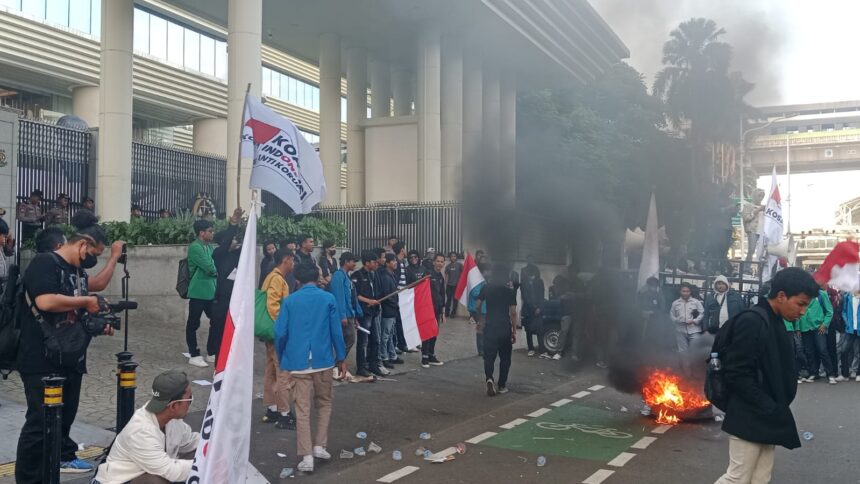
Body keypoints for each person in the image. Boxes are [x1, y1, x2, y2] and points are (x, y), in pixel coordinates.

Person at [16, 211, 118, 480]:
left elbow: (75, 315)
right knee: (39, 424)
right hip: (40, 359)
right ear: (82, 244)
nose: (92, 260)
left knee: (60, 425)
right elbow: (46, 302)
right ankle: (28, 478)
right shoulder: (45, 262)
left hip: (70, 358)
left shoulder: (78, 273)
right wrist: (86, 301)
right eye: (92, 253)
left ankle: (50, 475)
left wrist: (97, 323)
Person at [714, 268, 819, 484]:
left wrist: (772, 409)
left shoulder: (775, 319)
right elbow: (736, 372)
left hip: (767, 415)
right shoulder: (753, 321)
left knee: (760, 479)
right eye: (800, 304)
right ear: (781, 296)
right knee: (737, 479)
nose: (803, 311)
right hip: (749, 415)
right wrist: (767, 406)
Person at [274, 263, 347, 474]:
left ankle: (306, 457)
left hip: (297, 363)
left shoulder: (290, 301)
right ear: (318, 278)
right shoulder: (328, 299)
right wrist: (341, 357)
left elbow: (279, 332)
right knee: (324, 403)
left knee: (302, 410)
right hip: (323, 361)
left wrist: (283, 355)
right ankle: (319, 446)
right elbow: (336, 331)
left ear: (297, 280)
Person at [93, 371, 199, 484]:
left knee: (200, 452)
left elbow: (191, 442)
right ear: (173, 405)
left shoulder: (172, 419)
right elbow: (170, 471)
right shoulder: (141, 431)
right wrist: (206, 464)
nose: (190, 403)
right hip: (119, 481)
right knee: (156, 481)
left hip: (141, 476)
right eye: (189, 399)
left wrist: (215, 446)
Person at [260, 249, 296, 430]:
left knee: (271, 370)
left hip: (271, 333)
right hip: (277, 333)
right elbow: (272, 304)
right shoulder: (276, 278)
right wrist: (281, 327)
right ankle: (284, 413)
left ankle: (272, 408)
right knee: (282, 372)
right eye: (292, 259)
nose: (294, 264)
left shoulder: (271, 277)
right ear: (286, 259)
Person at [476, 264, 518, 396]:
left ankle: (489, 378)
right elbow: (513, 313)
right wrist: (514, 330)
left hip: (490, 326)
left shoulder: (486, 288)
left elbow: (477, 304)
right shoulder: (509, 291)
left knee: (489, 357)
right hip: (504, 327)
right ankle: (502, 385)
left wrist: (481, 319)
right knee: (505, 358)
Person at [209, 208, 243, 365]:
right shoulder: (219, 254)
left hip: (233, 300)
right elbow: (228, 241)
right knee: (218, 333)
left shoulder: (235, 255)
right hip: (220, 301)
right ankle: (218, 363)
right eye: (232, 240)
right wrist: (233, 224)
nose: (235, 242)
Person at [185, 219, 217, 368]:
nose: (212, 233)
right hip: (198, 292)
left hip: (211, 291)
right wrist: (217, 271)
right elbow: (210, 267)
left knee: (216, 320)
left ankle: (212, 351)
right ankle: (194, 354)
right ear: (201, 233)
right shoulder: (195, 247)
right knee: (193, 323)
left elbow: (214, 265)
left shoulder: (209, 247)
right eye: (210, 231)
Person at [794, 284, 836, 384]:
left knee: (823, 350)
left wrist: (825, 324)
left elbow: (830, 311)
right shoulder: (801, 295)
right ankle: (814, 373)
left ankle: (830, 374)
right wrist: (798, 327)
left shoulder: (821, 294)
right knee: (809, 351)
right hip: (805, 327)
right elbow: (798, 311)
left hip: (818, 327)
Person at [329, 252, 361, 378]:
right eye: (353, 261)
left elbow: (350, 298)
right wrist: (342, 316)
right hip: (343, 316)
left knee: (347, 340)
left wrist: (354, 316)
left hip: (349, 314)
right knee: (348, 340)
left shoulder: (346, 276)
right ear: (347, 261)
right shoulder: (338, 276)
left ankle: (338, 365)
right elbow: (339, 297)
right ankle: (336, 365)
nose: (355, 264)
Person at [352, 251, 384, 377]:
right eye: (374, 262)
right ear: (367, 263)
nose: (376, 264)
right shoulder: (357, 275)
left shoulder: (374, 274)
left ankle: (373, 364)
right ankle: (361, 367)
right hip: (364, 313)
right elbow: (355, 295)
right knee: (363, 341)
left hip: (374, 312)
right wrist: (368, 301)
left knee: (375, 340)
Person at [670, 283, 704, 376]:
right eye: (683, 291)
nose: (685, 293)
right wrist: (677, 321)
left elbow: (702, 313)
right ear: (680, 292)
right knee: (683, 353)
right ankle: (687, 375)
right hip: (680, 331)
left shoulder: (696, 302)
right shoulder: (675, 303)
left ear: (690, 292)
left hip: (694, 330)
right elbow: (672, 315)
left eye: (687, 291)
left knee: (696, 352)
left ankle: (697, 374)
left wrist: (694, 321)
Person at [377, 254, 403, 372]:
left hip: (392, 310)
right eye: (393, 261)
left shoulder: (391, 275)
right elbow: (387, 296)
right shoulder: (385, 277)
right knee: (385, 335)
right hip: (388, 310)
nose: (395, 263)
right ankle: (384, 356)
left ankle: (392, 355)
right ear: (387, 263)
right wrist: (396, 304)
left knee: (391, 333)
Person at [422, 254, 447, 368]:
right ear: (434, 262)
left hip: (437, 309)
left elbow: (442, 294)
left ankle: (431, 355)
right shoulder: (427, 274)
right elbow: (421, 289)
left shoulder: (441, 277)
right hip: (428, 309)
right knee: (427, 333)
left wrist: (443, 311)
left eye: (442, 262)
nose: (439, 263)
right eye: (438, 261)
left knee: (434, 333)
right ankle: (424, 357)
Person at [520, 263, 546, 357]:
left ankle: (542, 349)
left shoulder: (540, 282)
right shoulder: (524, 283)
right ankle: (530, 348)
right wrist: (534, 307)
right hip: (528, 310)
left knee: (540, 330)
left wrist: (539, 308)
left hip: (538, 309)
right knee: (529, 331)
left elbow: (541, 296)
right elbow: (525, 297)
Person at [840, 289, 860, 382]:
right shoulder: (847, 297)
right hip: (850, 329)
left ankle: (858, 373)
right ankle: (845, 374)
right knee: (844, 351)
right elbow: (843, 311)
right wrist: (847, 322)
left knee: (858, 352)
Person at [444, 252, 463, 317]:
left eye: (454, 256)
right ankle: (447, 313)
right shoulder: (447, 267)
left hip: (457, 286)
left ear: (456, 257)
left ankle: (453, 313)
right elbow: (446, 276)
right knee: (448, 300)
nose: (453, 257)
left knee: (455, 301)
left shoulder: (460, 265)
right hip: (449, 286)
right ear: (450, 258)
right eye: (452, 256)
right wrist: (445, 285)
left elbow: (463, 274)